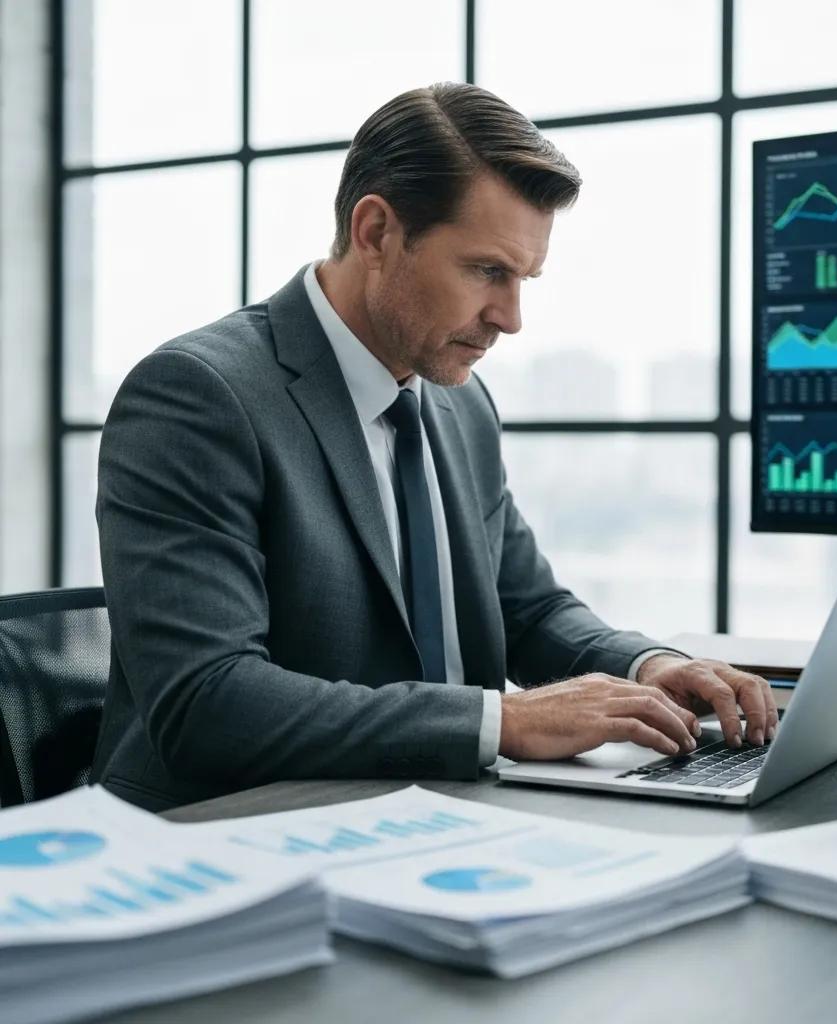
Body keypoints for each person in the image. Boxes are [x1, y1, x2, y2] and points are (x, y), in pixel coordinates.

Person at [91, 83, 777, 811]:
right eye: (487, 271)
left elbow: (527, 607)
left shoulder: (458, 401)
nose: (510, 318)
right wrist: (504, 721)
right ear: (376, 232)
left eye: (524, 279)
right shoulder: (198, 396)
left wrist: (646, 666)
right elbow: (206, 701)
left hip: (444, 816)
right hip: (238, 830)